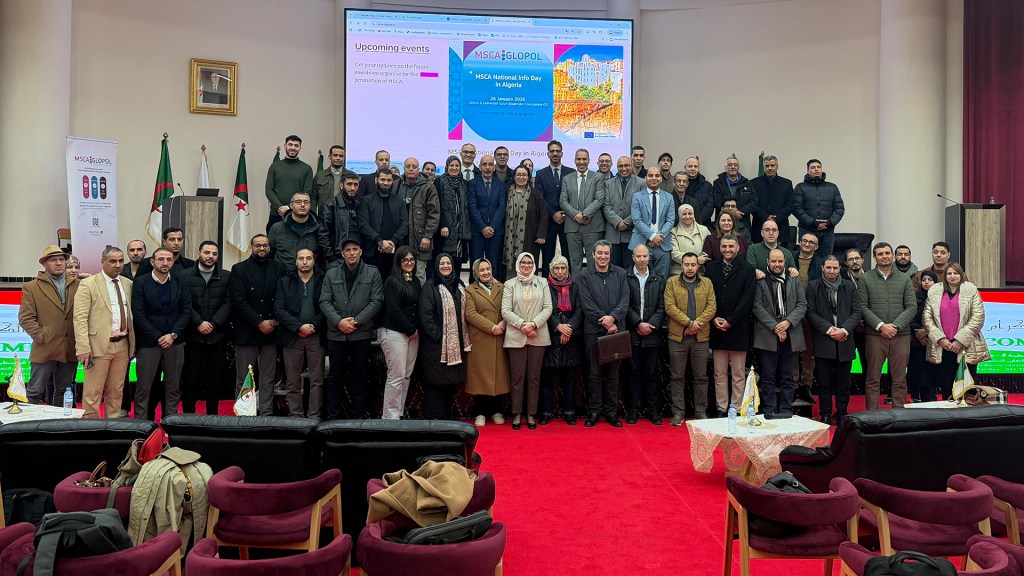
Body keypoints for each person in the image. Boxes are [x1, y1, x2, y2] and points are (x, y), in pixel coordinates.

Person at [320, 238, 383, 419]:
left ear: (361, 251)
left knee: (360, 377)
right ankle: (333, 418)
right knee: (335, 377)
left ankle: (358, 418)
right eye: (348, 250)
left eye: (355, 249)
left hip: (361, 334)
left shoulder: (372, 273)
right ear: (342, 254)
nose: (352, 253)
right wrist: (339, 322)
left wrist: (356, 322)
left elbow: (377, 301)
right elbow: (324, 301)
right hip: (336, 334)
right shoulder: (331, 273)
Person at [131, 247, 191, 419]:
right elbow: (138, 314)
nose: (165, 263)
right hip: (149, 343)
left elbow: (186, 310)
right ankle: (141, 424)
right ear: (152, 261)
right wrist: (157, 336)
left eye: (169, 259)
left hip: (175, 341)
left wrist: (173, 335)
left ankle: (171, 422)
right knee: (143, 388)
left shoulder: (180, 281)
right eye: (161, 259)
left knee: (173, 388)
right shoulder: (141, 282)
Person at [75, 247, 134, 419]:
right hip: (97, 345)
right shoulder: (88, 284)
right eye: (112, 261)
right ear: (102, 262)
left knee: (116, 390)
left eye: (121, 261)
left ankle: (112, 425)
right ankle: (91, 428)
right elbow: (79, 318)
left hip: (123, 344)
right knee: (93, 392)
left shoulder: (128, 283)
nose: (118, 265)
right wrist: (83, 347)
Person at [228, 234, 285, 416]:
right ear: (251, 247)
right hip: (247, 330)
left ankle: (266, 415)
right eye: (258, 245)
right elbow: (238, 301)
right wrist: (259, 322)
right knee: (244, 378)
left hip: (271, 331)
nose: (262, 248)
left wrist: (273, 321)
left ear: (269, 247)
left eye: (265, 245)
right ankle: (243, 415)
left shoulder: (279, 268)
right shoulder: (239, 269)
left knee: (268, 378)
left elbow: (283, 297)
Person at [857, 242, 916, 409]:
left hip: (901, 335)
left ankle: (899, 415)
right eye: (880, 254)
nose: (884, 256)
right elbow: (862, 307)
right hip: (875, 335)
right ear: (875, 257)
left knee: (900, 379)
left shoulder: (904, 278)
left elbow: (911, 307)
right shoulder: (865, 278)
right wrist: (881, 326)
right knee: (872, 378)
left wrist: (895, 326)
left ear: (892, 256)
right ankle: (873, 415)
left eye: (887, 253)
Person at [577, 240, 630, 427]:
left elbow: (625, 300)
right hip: (594, 331)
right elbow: (586, 304)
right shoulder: (584, 275)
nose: (603, 256)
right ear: (592, 255)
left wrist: (613, 318)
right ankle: (594, 411)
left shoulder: (621, 273)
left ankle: (611, 412)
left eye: (606, 253)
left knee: (613, 374)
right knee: (594, 373)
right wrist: (605, 321)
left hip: (616, 331)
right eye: (599, 253)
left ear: (610, 255)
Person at [19, 245, 79, 405]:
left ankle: (59, 420)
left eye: (61, 259)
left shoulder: (79, 285)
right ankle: (31, 420)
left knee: (64, 389)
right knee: (34, 391)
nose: (58, 263)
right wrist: (42, 336)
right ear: (44, 264)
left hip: (70, 346)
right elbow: (25, 318)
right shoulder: (32, 287)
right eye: (53, 260)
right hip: (45, 346)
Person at [805, 255, 862, 423]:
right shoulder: (813, 286)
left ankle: (842, 412)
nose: (832, 271)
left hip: (845, 340)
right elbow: (810, 313)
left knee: (843, 383)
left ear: (840, 269)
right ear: (822, 268)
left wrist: (844, 330)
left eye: (835, 268)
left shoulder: (849, 286)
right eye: (828, 267)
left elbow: (857, 312)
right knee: (823, 382)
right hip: (824, 340)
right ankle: (825, 413)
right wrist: (830, 330)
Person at [751, 249, 807, 417]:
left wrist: (787, 323)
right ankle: (769, 410)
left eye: (780, 261)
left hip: (791, 332)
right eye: (774, 261)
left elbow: (802, 304)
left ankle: (786, 411)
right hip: (767, 333)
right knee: (767, 376)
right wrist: (776, 327)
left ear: (785, 262)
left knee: (788, 376)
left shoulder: (794, 278)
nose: (777, 264)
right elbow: (756, 306)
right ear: (768, 262)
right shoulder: (760, 280)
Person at [705, 234, 756, 415]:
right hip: (717, 327)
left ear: (738, 248)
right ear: (720, 248)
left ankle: (736, 408)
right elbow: (707, 295)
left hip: (739, 328)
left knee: (738, 374)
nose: (727, 249)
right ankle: (721, 407)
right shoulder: (711, 268)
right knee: (719, 373)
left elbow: (747, 299)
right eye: (724, 246)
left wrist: (731, 320)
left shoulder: (748, 269)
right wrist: (714, 318)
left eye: (731, 246)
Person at [924, 263, 990, 399]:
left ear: (961, 275)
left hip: (966, 346)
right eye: (949, 273)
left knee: (966, 388)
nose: (952, 276)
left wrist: (960, 340)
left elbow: (978, 317)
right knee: (946, 386)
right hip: (944, 346)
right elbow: (927, 318)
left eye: (956, 273)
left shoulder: (971, 290)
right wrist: (940, 339)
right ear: (945, 276)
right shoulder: (935, 291)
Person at [502, 252, 552, 430]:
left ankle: (531, 413)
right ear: (518, 264)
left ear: (534, 265)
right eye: (523, 262)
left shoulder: (543, 282)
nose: (526, 265)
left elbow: (548, 308)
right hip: (516, 337)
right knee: (517, 378)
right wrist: (523, 325)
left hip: (538, 336)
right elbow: (505, 311)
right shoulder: (509, 284)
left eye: (529, 262)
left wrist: (533, 324)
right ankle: (516, 413)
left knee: (534, 378)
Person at [665, 252, 717, 424]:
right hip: (677, 338)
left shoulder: (707, 283)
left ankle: (700, 411)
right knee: (677, 377)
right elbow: (670, 307)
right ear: (681, 266)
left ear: (698, 266)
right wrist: (689, 323)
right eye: (686, 264)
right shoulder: (672, 282)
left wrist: (695, 325)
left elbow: (711, 307)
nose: (689, 268)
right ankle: (678, 412)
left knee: (701, 377)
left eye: (693, 265)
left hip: (700, 338)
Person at [417, 254, 469, 419]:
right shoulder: (430, 287)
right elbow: (426, 316)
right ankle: (434, 418)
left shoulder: (459, 285)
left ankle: (446, 417)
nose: (446, 266)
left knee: (449, 384)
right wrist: (440, 337)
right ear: (436, 266)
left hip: (455, 346)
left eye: (448, 263)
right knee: (435, 385)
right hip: (435, 346)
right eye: (442, 263)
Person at [275, 248, 325, 420]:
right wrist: (298, 327)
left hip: (316, 335)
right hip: (292, 336)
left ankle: (314, 416)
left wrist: (313, 325)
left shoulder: (323, 280)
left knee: (317, 380)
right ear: (295, 261)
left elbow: (327, 305)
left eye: (308, 258)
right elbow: (279, 310)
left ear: (314, 261)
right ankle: (296, 416)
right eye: (301, 258)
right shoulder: (284, 282)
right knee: (292, 380)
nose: (305, 261)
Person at [182, 241, 231, 415]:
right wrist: (198, 322)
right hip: (192, 335)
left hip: (218, 335)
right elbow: (184, 303)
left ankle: (212, 416)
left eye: (214, 254)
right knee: (191, 377)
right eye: (207, 252)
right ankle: (188, 416)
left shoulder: (226, 276)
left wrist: (213, 323)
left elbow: (229, 302)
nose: (210, 256)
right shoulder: (184, 275)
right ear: (198, 253)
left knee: (215, 378)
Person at [464, 258, 510, 426]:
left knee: (498, 375)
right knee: (481, 376)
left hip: (499, 337)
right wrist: (491, 327)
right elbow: (470, 314)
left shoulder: (502, 287)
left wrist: (503, 324)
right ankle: (480, 412)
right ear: (476, 273)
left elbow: (508, 308)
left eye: (488, 269)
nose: (485, 272)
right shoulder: (470, 290)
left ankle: (497, 410)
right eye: (482, 270)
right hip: (481, 338)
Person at [379, 247, 422, 420]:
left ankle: (399, 414)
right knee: (396, 376)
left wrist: (414, 331)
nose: (409, 263)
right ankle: (390, 418)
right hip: (395, 332)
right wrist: (410, 330)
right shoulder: (391, 282)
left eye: (411, 260)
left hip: (412, 334)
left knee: (406, 375)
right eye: (405, 260)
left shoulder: (416, 281)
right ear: (398, 262)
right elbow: (394, 310)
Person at [624, 245, 666, 424]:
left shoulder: (659, 278)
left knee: (652, 374)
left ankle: (652, 409)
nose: (642, 259)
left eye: (644, 256)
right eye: (638, 256)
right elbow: (624, 304)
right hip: (632, 333)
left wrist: (650, 325)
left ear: (649, 257)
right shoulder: (625, 277)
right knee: (632, 374)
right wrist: (638, 323)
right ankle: (632, 409)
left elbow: (662, 307)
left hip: (652, 333)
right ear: (633, 257)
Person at [541, 255, 582, 425]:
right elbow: (544, 310)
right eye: (556, 268)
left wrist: (569, 328)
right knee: (547, 379)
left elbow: (579, 311)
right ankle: (546, 412)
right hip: (550, 337)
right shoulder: (544, 287)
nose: (559, 271)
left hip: (570, 338)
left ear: (567, 269)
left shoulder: (575, 287)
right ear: (551, 270)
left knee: (569, 379)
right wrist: (558, 327)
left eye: (563, 268)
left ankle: (569, 412)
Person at [560, 149, 605, 279]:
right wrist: (576, 216)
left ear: (589, 160)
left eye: (584, 159)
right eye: (578, 159)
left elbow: (599, 200)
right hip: (572, 227)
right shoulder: (567, 179)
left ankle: (593, 289)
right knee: (575, 263)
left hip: (593, 227)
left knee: (593, 262)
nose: (581, 162)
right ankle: (577, 289)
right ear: (574, 161)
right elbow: (563, 201)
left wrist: (584, 215)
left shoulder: (598, 177)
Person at [358, 168, 408, 280]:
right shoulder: (366, 201)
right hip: (372, 253)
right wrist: (380, 242)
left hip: (395, 252)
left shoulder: (399, 202)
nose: (386, 183)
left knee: (394, 285)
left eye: (389, 180)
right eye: (383, 179)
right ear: (376, 180)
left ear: (392, 181)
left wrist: (393, 242)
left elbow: (405, 224)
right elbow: (363, 225)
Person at [397, 157, 440, 285]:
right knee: (399, 272)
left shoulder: (428, 187)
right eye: (408, 166)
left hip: (420, 238)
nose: (411, 169)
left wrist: (427, 236)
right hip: (400, 237)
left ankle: (419, 298)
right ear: (403, 168)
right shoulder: (396, 185)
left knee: (419, 273)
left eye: (414, 167)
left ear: (419, 169)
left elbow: (434, 213)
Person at [793, 159, 844, 259]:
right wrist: (812, 222)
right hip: (807, 230)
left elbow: (839, 208)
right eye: (813, 167)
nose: (816, 169)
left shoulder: (832, 187)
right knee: (806, 259)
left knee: (826, 260)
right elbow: (796, 208)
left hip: (827, 231)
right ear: (808, 171)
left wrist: (830, 222)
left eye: (818, 167)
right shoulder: (800, 187)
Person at [268, 191, 331, 273]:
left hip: (312, 277)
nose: (302, 205)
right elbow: (269, 254)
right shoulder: (277, 228)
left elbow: (324, 255)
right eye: (298, 202)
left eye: (306, 202)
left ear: (310, 206)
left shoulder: (319, 228)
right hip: (283, 277)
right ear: (291, 205)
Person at [503, 165, 548, 278]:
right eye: (518, 175)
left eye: (524, 175)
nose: (521, 177)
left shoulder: (536, 194)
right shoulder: (506, 192)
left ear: (528, 177)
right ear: (514, 176)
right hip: (508, 236)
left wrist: (541, 234)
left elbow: (543, 214)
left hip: (529, 237)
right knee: (508, 269)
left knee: (528, 265)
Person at [628, 170, 675, 278]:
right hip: (642, 243)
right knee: (640, 278)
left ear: (661, 179)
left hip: (662, 245)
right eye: (650, 175)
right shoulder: (637, 196)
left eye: (657, 175)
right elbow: (636, 220)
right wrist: (653, 236)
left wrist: (658, 237)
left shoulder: (669, 197)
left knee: (662, 279)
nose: (654, 178)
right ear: (645, 178)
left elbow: (670, 221)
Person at [602, 156, 644, 270]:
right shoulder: (608, 183)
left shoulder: (641, 183)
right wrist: (618, 222)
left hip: (632, 235)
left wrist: (627, 222)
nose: (624, 168)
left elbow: (641, 207)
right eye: (620, 166)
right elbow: (606, 206)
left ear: (631, 166)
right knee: (613, 270)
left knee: (630, 270)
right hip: (613, 235)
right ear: (616, 167)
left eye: (626, 165)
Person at [265, 135, 314, 232]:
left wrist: (289, 208)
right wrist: (280, 207)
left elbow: (307, 192)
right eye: (290, 144)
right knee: (272, 241)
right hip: (276, 214)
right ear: (285, 146)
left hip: (297, 216)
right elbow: (269, 190)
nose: (293, 148)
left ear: (300, 148)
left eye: (296, 145)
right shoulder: (275, 166)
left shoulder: (307, 168)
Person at [468, 155, 507, 277]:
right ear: (480, 167)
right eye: (484, 164)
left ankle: (493, 288)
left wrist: (492, 227)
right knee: (476, 264)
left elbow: (502, 207)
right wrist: (483, 227)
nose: (487, 167)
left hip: (495, 232)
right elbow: (472, 207)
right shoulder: (472, 184)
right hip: (477, 231)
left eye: (490, 164)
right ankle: (475, 288)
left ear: (494, 167)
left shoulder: (500, 184)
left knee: (493, 264)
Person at [535, 140, 570, 275]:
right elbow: (540, 198)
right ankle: (546, 283)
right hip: (548, 221)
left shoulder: (571, 172)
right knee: (547, 257)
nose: (555, 153)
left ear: (562, 153)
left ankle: (568, 284)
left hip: (568, 221)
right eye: (552, 151)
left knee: (568, 255)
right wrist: (553, 214)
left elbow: (573, 197)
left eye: (557, 151)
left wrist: (564, 213)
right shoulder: (540, 174)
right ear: (548, 154)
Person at [435, 155, 471, 273]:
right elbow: (436, 205)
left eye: (457, 165)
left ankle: (456, 284)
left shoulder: (464, 183)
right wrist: (442, 225)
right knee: (444, 262)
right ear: (447, 166)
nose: (454, 168)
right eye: (451, 165)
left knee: (457, 262)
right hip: (445, 230)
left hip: (460, 231)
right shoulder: (439, 181)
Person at [750, 154, 795, 247]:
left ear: (777, 167)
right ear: (764, 167)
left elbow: (790, 205)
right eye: (767, 166)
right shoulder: (754, 183)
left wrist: (775, 217)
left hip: (781, 228)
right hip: (759, 228)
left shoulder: (786, 183)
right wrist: (766, 217)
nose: (770, 168)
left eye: (772, 165)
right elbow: (752, 204)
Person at [710, 154, 758, 236]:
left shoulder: (747, 183)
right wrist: (731, 212)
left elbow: (753, 202)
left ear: (738, 167)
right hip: (723, 225)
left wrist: (740, 212)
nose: (733, 167)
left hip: (742, 223)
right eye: (730, 165)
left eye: (735, 165)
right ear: (725, 168)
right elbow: (717, 201)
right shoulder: (718, 183)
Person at [908, 270, 938, 402]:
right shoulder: (914, 297)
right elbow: (909, 317)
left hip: (935, 340)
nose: (926, 282)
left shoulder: (940, 298)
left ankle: (932, 397)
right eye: (924, 280)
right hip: (917, 341)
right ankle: (916, 395)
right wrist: (919, 334)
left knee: (933, 372)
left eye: (930, 280)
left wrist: (927, 331)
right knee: (918, 371)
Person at [322, 173, 362, 258]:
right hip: (337, 255)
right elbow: (323, 234)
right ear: (341, 185)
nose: (352, 188)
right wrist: (331, 257)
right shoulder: (330, 205)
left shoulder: (359, 205)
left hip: (356, 255)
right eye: (349, 184)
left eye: (355, 185)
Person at [312, 145, 356, 212]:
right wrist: (313, 213)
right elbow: (314, 197)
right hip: (324, 214)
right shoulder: (320, 175)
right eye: (335, 155)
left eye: (341, 156)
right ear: (330, 157)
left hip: (345, 214)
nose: (338, 158)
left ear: (344, 158)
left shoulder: (352, 175)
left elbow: (356, 197)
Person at [669, 204, 710, 276]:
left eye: (690, 213)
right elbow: (674, 254)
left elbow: (709, 249)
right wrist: (696, 260)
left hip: (700, 272)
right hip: (679, 272)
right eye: (684, 214)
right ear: (679, 216)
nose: (687, 217)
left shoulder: (704, 230)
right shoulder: (673, 232)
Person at [682, 157, 715, 226]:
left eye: (695, 166)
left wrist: (698, 220)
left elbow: (710, 206)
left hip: (704, 224)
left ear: (698, 168)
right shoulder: (680, 185)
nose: (693, 169)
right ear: (685, 167)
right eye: (690, 166)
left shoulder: (707, 185)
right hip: (683, 224)